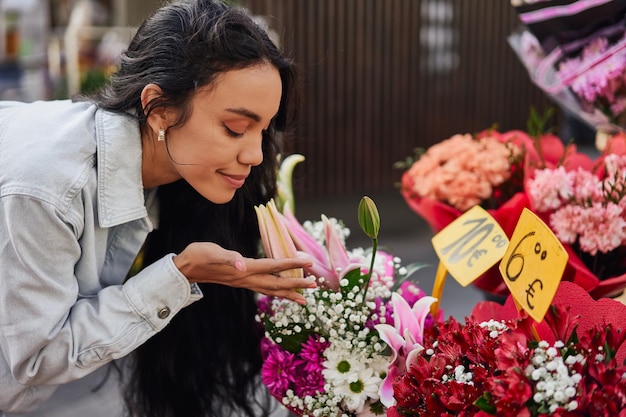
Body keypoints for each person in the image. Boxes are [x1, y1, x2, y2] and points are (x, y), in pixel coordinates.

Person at [0, 0, 315, 416]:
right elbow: (34, 359)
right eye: (236, 128)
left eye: (262, 128)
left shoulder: (176, 170)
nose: (255, 154)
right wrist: (177, 276)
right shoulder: (47, 190)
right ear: (159, 109)